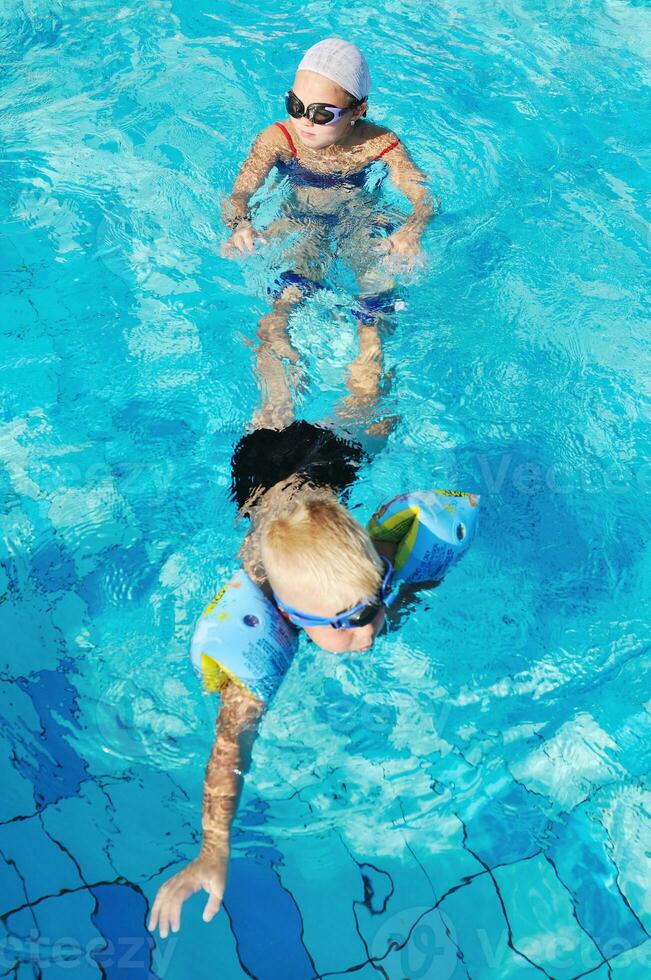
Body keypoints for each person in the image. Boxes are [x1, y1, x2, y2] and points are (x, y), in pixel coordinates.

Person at [147, 421, 479, 938]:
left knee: (371, 417)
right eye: (347, 623)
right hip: (262, 478)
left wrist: (397, 596)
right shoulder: (264, 630)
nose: (368, 634)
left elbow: (391, 589)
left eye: (374, 604)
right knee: (271, 408)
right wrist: (213, 848)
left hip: (325, 467)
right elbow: (228, 746)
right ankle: (272, 336)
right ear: (295, 620)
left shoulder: (365, 569)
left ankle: (370, 345)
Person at [221, 37, 436, 428]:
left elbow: (423, 197)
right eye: (296, 106)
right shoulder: (278, 139)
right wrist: (241, 225)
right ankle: (277, 401)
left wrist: (412, 228)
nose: (304, 120)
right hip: (302, 220)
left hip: (359, 219)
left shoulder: (378, 143)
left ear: (358, 110)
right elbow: (238, 194)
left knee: (375, 297)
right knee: (284, 303)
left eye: (321, 113)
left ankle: (367, 390)